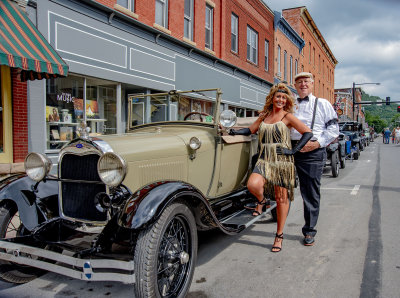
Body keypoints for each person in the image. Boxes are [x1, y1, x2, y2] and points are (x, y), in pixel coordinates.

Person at [229, 83, 312, 252]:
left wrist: (293, 150)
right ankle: (262, 200)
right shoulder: (264, 115)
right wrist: (234, 132)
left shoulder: (287, 116)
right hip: (264, 158)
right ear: (272, 98)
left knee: (281, 198)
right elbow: (251, 130)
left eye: (284, 97)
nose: (280, 99)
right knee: (253, 184)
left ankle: (279, 235)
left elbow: (308, 132)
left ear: (286, 100)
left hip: (282, 161)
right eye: (278, 96)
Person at [291, 72, 339, 246]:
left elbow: (334, 130)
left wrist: (318, 144)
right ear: (295, 86)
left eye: (306, 81)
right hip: (289, 147)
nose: (303, 84)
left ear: (312, 84)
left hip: (312, 150)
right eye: (299, 82)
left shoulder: (323, 104)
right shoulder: (290, 104)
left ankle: (309, 230)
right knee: (279, 186)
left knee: (310, 191)